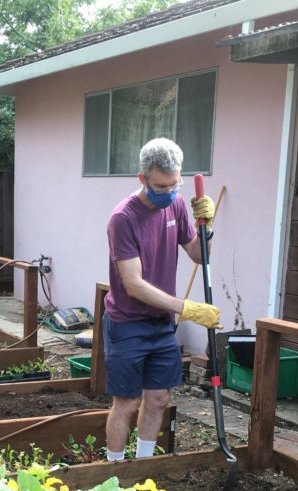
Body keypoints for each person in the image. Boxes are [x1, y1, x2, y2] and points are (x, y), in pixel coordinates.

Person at [103, 137, 221, 462]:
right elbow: (134, 285)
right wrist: (187, 308)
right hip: (127, 324)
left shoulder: (177, 205)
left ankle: (142, 467)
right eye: (161, 185)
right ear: (143, 179)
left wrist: (207, 228)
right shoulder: (123, 219)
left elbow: (198, 255)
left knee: (157, 398)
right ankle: (112, 473)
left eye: (175, 184)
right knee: (126, 403)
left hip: (161, 326)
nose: (169, 192)